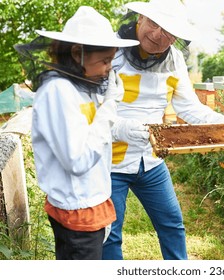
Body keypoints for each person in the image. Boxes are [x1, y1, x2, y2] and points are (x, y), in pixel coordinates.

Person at [103, 0, 224, 260]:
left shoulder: (175, 60)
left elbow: (189, 108)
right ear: (140, 19)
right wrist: (120, 128)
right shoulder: (109, 50)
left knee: (172, 224)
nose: (159, 35)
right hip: (109, 161)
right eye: (154, 24)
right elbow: (89, 109)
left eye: (169, 31)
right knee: (110, 235)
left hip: (150, 160)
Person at [14, 6, 139, 260]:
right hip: (76, 211)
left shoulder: (81, 86)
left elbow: (96, 130)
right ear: (76, 52)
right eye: (104, 61)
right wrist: (111, 105)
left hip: (90, 206)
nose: (108, 69)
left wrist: (131, 129)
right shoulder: (58, 91)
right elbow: (78, 159)